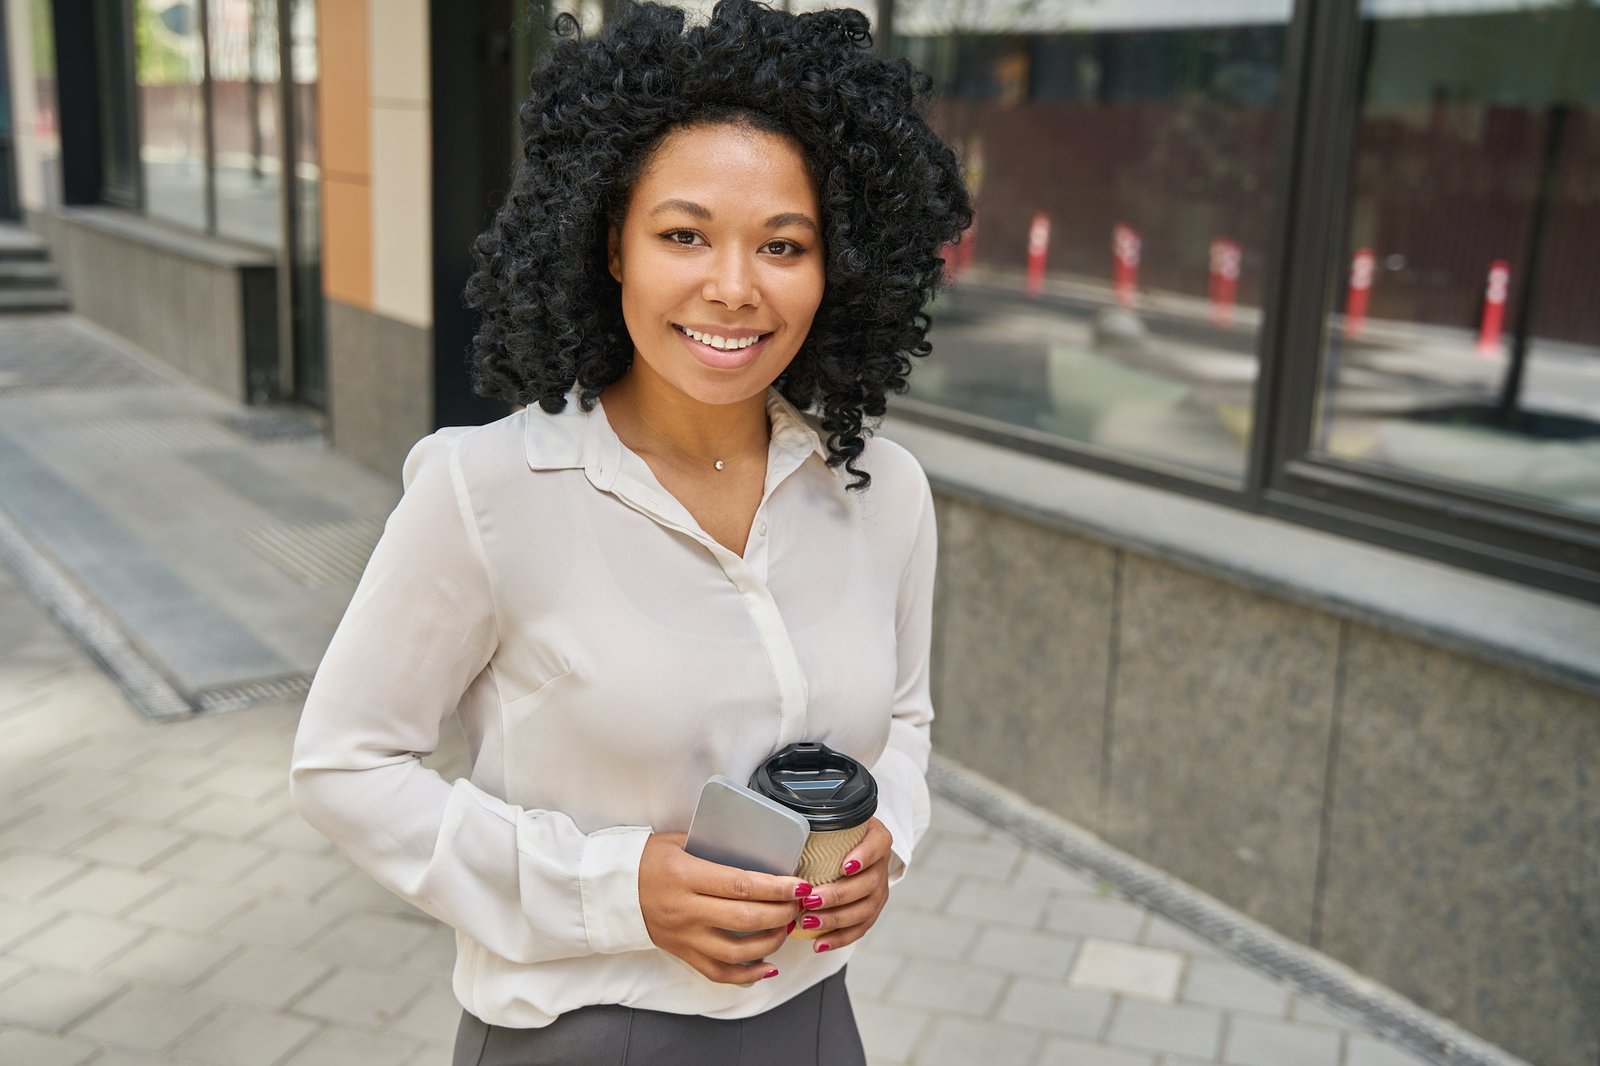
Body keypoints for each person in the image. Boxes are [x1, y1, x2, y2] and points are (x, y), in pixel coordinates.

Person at [289, 1, 971, 1062]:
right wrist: (616, 890)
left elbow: (906, 722)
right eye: (684, 234)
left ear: (836, 265)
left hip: (813, 1023)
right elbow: (344, 765)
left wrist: (890, 842)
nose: (733, 287)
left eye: (782, 244)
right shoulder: (489, 488)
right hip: (580, 1031)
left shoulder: (883, 492)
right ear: (613, 242)